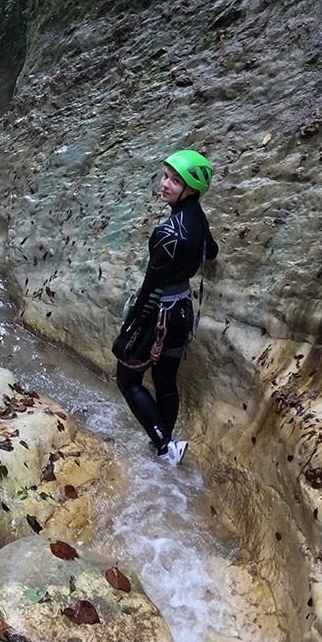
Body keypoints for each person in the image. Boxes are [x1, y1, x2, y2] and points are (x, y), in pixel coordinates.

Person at [112, 149, 219, 466]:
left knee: (128, 379)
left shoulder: (166, 233)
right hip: (183, 310)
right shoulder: (198, 218)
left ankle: (164, 447)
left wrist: (127, 331)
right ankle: (164, 441)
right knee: (165, 381)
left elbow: (150, 290)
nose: (165, 185)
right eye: (166, 176)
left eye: (175, 181)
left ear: (191, 189)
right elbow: (210, 251)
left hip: (159, 315)